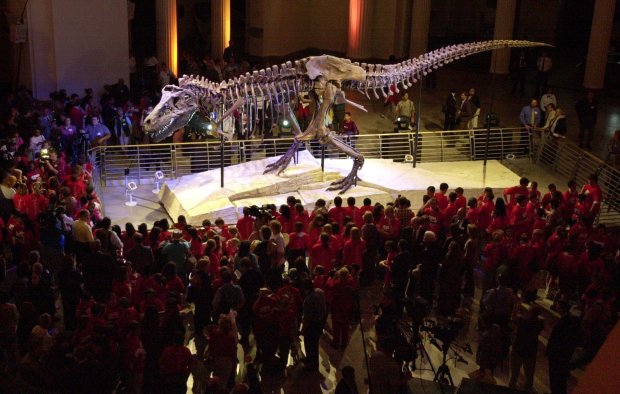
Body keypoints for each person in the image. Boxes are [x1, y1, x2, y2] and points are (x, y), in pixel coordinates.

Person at [547, 302, 583, 394]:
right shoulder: (574, 323)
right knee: (560, 377)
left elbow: (555, 338)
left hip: (557, 354)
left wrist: (549, 352)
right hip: (565, 353)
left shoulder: (564, 322)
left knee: (556, 377)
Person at [508, 305, 545, 392]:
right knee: (529, 376)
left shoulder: (522, 320)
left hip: (518, 349)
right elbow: (542, 322)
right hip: (530, 352)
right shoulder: (540, 324)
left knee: (514, 375)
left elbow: (512, 320)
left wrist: (515, 307)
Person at [301, 279, 326, 371]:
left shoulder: (308, 300)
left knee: (310, 345)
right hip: (320, 322)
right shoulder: (320, 291)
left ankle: (312, 365)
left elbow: (307, 318)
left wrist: (303, 329)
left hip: (312, 325)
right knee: (314, 344)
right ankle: (311, 361)